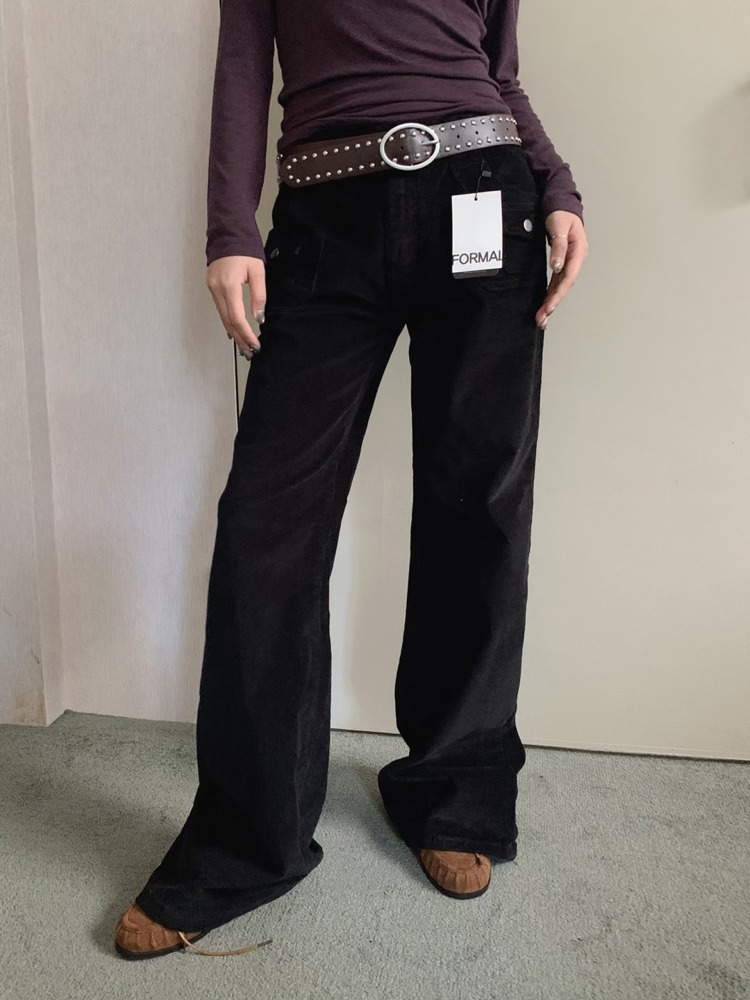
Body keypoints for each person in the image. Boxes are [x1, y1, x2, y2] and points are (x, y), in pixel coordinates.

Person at [114, 0, 588, 960]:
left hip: (485, 196)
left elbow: (498, 70)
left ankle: (454, 794)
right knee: (267, 524)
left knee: (477, 509)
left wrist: (559, 184)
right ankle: (250, 841)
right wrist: (228, 226)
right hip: (327, 215)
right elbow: (243, 65)